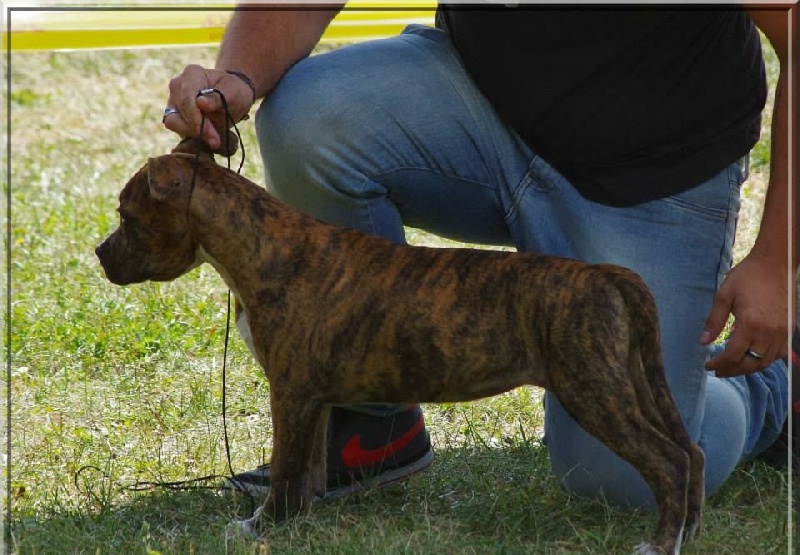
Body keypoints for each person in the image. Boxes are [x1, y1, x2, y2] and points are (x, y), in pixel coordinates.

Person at [163, 5, 795, 508]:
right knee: (311, 120)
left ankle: (775, 381)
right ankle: (369, 423)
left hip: (653, 173)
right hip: (483, 105)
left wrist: (775, 262)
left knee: (622, 482)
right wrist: (237, 76)